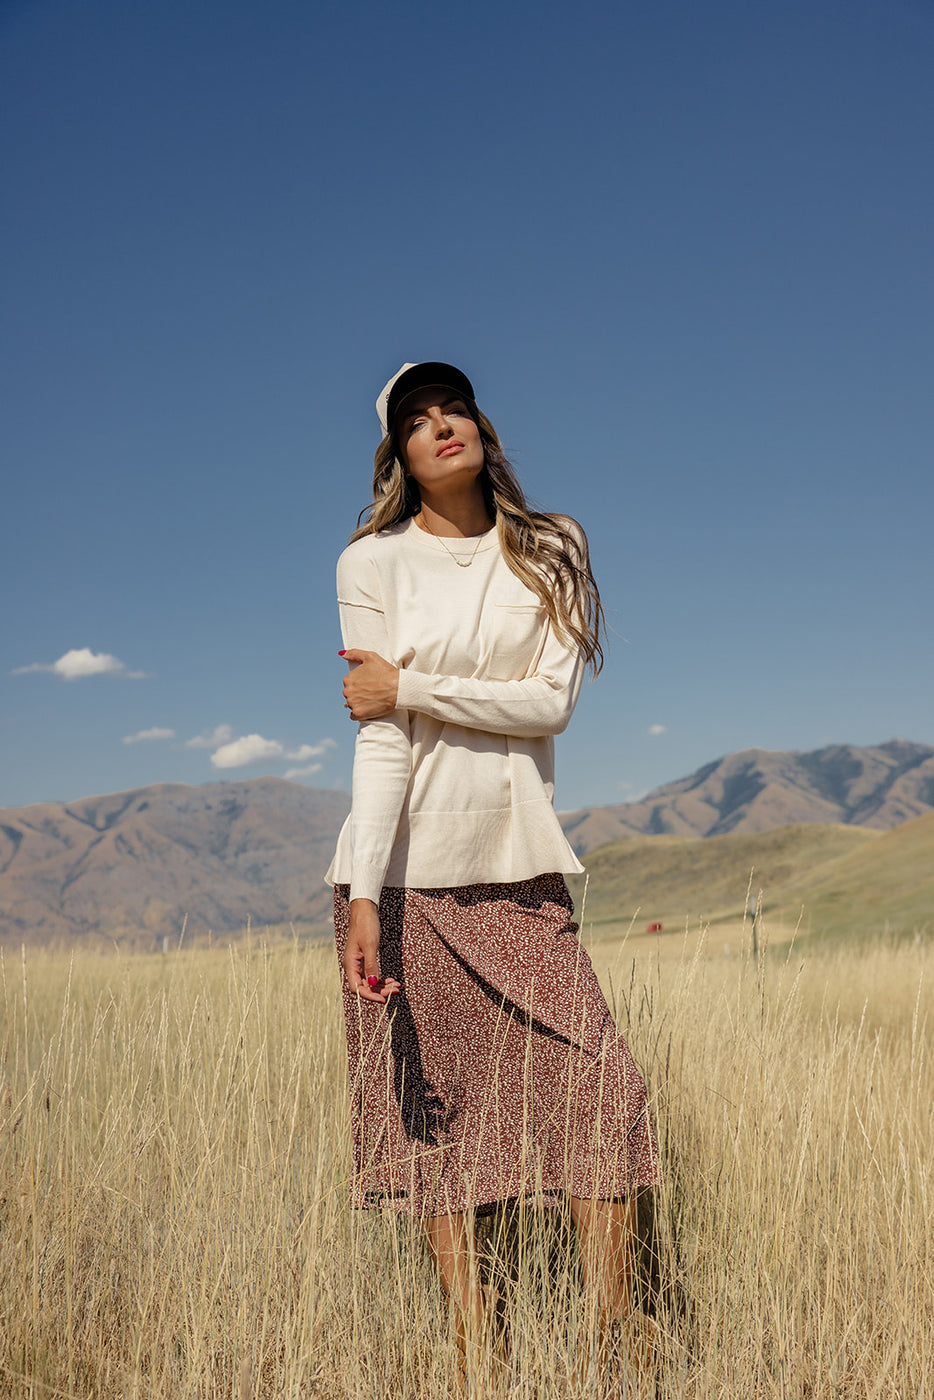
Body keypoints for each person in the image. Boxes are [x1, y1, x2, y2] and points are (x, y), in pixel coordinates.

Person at [326, 361, 661, 1387]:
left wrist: (412, 684)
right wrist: (369, 894)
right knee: (437, 1119)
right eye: (415, 420)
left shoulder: (549, 546)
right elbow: (382, 743)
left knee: (602, 1090)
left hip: (518, 863)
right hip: (406, 871)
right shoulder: (369, 563)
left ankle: (612, 1346)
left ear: (479, 426)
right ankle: (479, 1348)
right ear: (398, 455)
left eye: (452, 406)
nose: (440, 426)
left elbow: (547, 703)